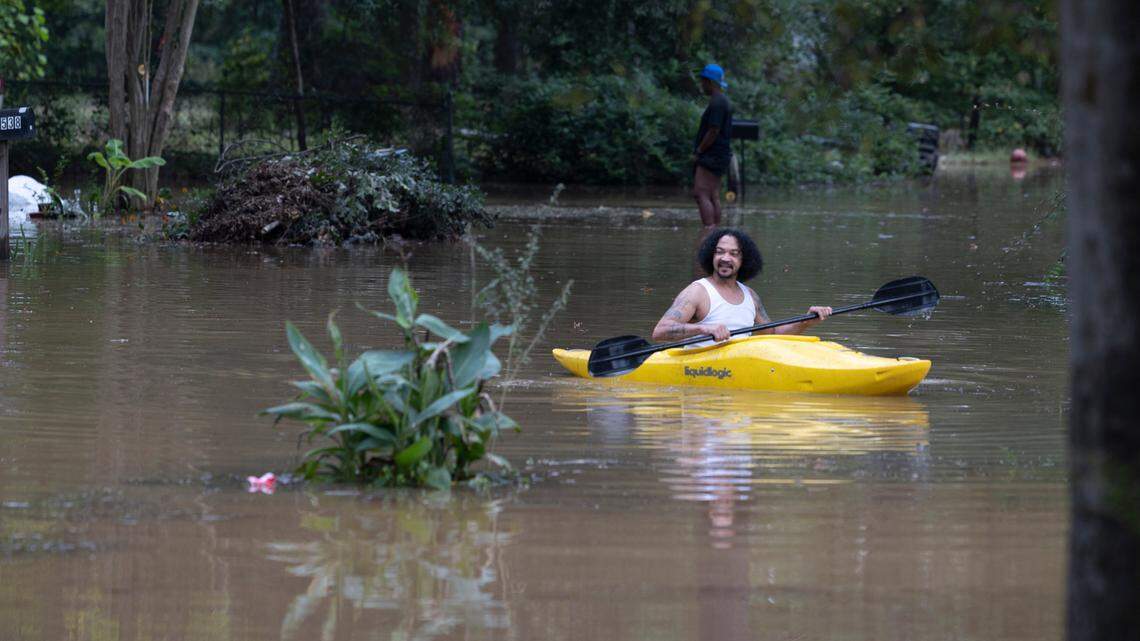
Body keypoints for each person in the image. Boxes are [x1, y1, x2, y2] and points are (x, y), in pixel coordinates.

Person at [652, 228, 832, 345]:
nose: (725, 258)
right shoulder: (697, 291)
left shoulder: (750, 296)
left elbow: (772, 334)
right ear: (711, 256)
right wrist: (704, 328)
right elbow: (660, 331)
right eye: (719, 252)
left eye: (734, 254)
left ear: (744, 260)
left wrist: (806, 321)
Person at [692, 64, 734, 229]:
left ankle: (709, 230)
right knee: (712, 194)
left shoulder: (717, 103)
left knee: (700, 193)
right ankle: (715, 230)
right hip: (720, 154)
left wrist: (699, 150)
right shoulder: (723, 101)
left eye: (703, 81)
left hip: (712, 155)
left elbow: (713, 130)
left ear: (709, 81)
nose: (702, 86)